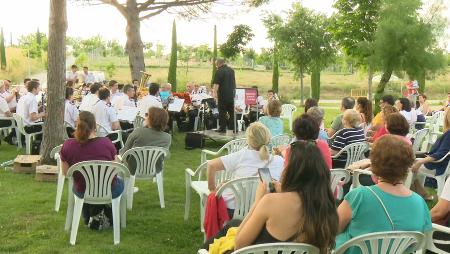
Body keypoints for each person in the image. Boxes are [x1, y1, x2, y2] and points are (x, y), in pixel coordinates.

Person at [233, 141, 338, 253]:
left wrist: (258, 201)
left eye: (285, 164)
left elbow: (239, 245)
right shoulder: (327, 205)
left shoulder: (269, 202)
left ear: (291, 170)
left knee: (232, 225)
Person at [336, 135, 432, 253]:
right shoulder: (419, 202)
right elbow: (418, 242)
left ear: (374, 163)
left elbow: (333, 229)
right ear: (408, 165)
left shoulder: (359, 196)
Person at [60, 111, 123, 227]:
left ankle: (89, 215)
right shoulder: (107, 143)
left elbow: (66, 173)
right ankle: (103, 212)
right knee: (119, 181)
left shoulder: (68, 145)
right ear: (95, 126)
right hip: (109, 190)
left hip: (83, 190)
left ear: (77, 125)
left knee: (82, 182)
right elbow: (116, 169)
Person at [207, 122, 284, 216]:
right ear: (268, 139)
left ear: (249, 140)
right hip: (261, 212)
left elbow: (211, 164)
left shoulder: (241, 156)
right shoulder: (279, 161)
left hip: (233, 209)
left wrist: (212, 189)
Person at [411, 108, 450, 199]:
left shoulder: (449, 134)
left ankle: (415, 194)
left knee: (407, 167)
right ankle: (421, 193)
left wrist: (421, 162)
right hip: (445, 164)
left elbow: (440, 154)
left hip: (438, 165)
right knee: (412, 163)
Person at [120, 107, 171, 174]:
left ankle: (124, 183)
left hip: (133, 168)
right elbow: (164, 156)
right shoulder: (167, 137)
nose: (146, 117)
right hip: (155, 169)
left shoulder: (138, 131)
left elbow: (124, 152)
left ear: (151, 119)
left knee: (118, 161)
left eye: (147, 115)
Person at [213, 59, 236, 133]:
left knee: (222, 112)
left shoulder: (219, 71)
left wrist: (215, 95)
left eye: (216, 65)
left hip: (223, 95)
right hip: (231, 95)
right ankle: (233, 128)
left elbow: (216, 84)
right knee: (232, 112)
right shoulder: (232, 70)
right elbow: (234, 83)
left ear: (219, 64)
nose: (216, 66)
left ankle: (222, 128)